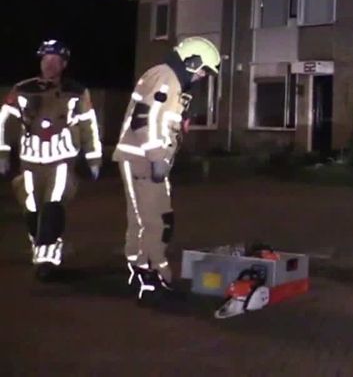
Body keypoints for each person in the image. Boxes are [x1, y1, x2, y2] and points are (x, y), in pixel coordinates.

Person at [114, 36, 220, 300]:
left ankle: (154, 270)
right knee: (148, 220)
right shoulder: (165, 77)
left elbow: (160, 121)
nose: (203, 77)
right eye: (204, 70)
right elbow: (143, 120)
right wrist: (157, 156)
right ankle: (143, 273)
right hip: (142, 159)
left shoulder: (173, 83)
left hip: (151, 160)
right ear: (192, 61)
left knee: (161, 219)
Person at [0, 40, 103, 280]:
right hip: (29, 162)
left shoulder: (76, 92)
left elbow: (89, 126)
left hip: (61, 161)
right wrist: (3, 154)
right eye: (46, 60)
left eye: (55, 61)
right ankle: (42, 247)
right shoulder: (23, 89)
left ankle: (46, 261)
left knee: (53, 205)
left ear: (64, 64)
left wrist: (94, 158)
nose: (49, 65)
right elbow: (4, 122)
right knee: (32, 209)